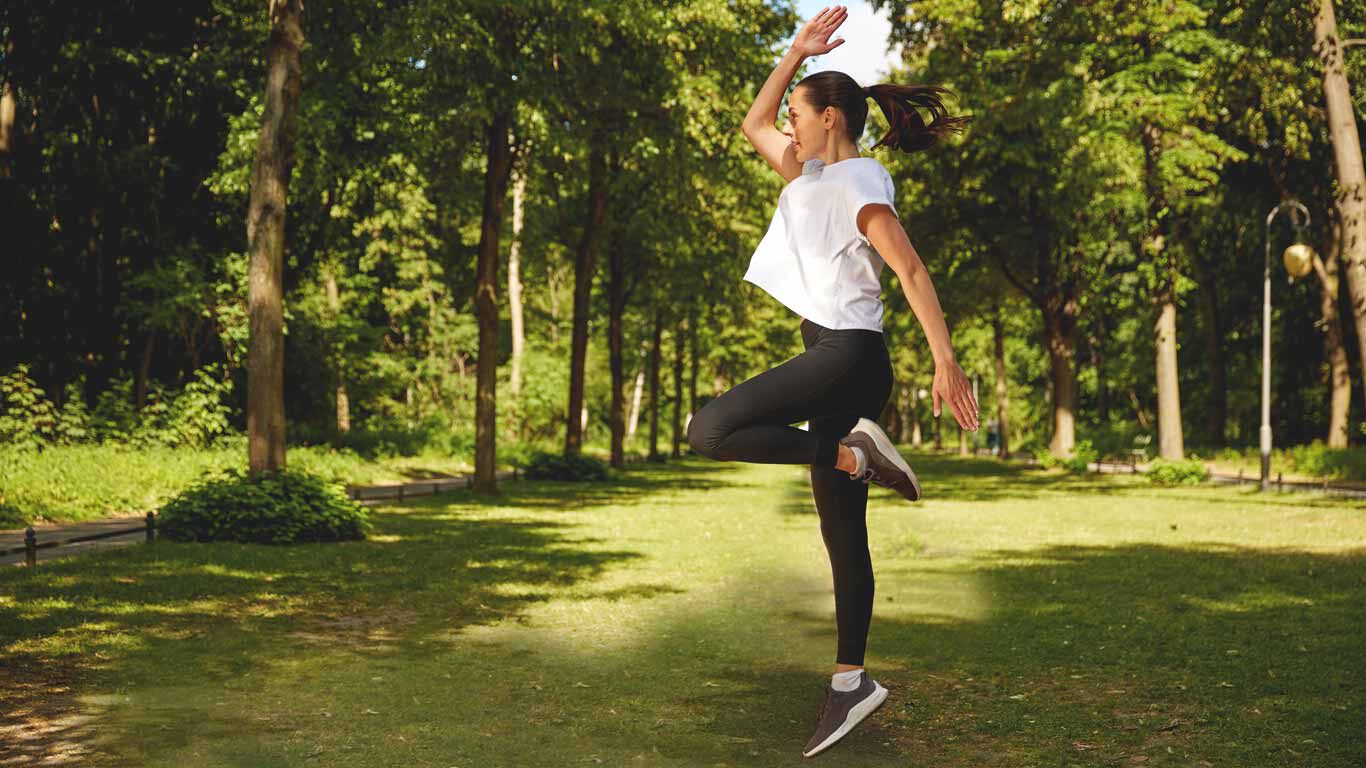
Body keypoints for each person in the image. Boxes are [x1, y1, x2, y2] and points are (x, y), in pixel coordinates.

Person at [684, 5, 980, 759]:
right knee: (842, 535)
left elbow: (909, 267)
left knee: (709, 430)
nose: (787, 118)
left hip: (849, 354)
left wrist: (945, 361)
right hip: (834, 357)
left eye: (799, 111)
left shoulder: (857, 177)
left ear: (832, 119)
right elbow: (752, 123)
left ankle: (855, 455)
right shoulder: (807, 175)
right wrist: (794, 51)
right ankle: (852, 681)